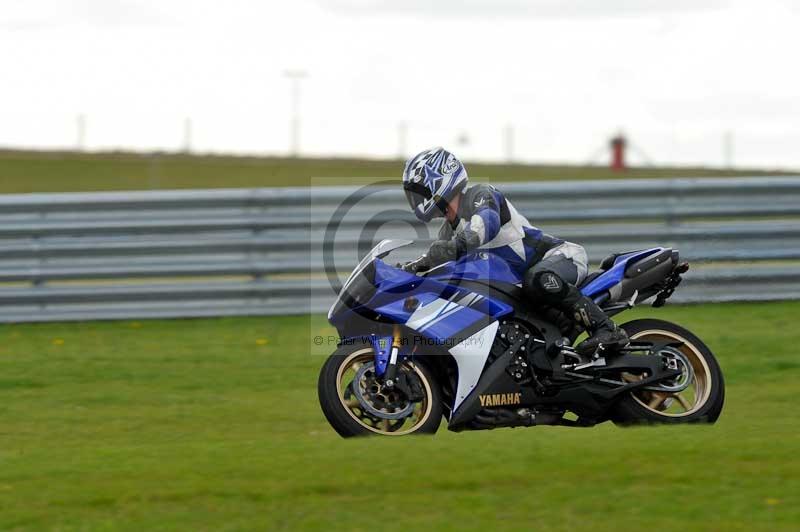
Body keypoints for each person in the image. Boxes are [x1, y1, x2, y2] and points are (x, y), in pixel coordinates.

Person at [400, 147, 628, 356]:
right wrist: (408, 271)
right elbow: (436, 262)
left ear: (438, 180)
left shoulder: (481, 195)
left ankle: (607, 329)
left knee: (536, 279)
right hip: (523, 291)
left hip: (561, 257)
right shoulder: (447, 231)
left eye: (419, 190)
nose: (415, 198)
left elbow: (483, 227)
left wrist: (447, 250)